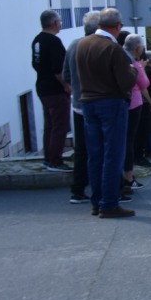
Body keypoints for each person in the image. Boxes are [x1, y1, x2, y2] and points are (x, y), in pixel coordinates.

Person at [76, 8, 137, 218]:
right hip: (111, 103)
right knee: (113, 154)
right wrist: (133, 71)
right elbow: (126, 82)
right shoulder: (113, 49)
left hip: (88, 102)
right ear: (118, 26)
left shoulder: (82, 44)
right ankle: (109, 203)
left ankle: (97, 201)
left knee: (95, 155)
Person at [62, 11, 102, 204]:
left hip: (78, 104)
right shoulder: (99, 46)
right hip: (99, 104)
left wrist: (76, 89)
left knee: (81, 149)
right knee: (104, 148)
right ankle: (108, 189)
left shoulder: (73, 45)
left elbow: (66, 75)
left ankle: (78, 190)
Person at [31, 9, 72, 171]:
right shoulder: (53, 42)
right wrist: (66, 85)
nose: (60, 24)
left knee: (49, 125)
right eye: (59, 22)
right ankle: (55, 160)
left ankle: (48, 158)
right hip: (55, 89)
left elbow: (35, 64)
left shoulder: (37, 40)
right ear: (54, 23)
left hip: (42, 86)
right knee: (59, 126)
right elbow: (57, 69)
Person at [122, 34, 151, 192]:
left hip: (122, 103)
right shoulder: (133, 62)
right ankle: (128, 177)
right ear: (138, 48)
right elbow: (144, 82)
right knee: (129, 142)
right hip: (132, 104)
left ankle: (125, 177)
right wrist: (142, 68)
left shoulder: (121, 55)